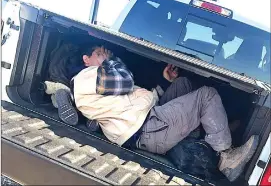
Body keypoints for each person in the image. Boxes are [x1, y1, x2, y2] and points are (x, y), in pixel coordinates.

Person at [54, 46, 259, 182]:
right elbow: (124, 82)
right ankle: (225, 157)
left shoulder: (99, 80)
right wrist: (111, 59)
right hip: (147, 131)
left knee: (182, 83)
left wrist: (164, 81)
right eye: (100, 53)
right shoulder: (86, 76)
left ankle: (206, 128)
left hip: (148, 120)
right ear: (86, 60)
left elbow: (135, 101)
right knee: (207, 95)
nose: (106, 54)